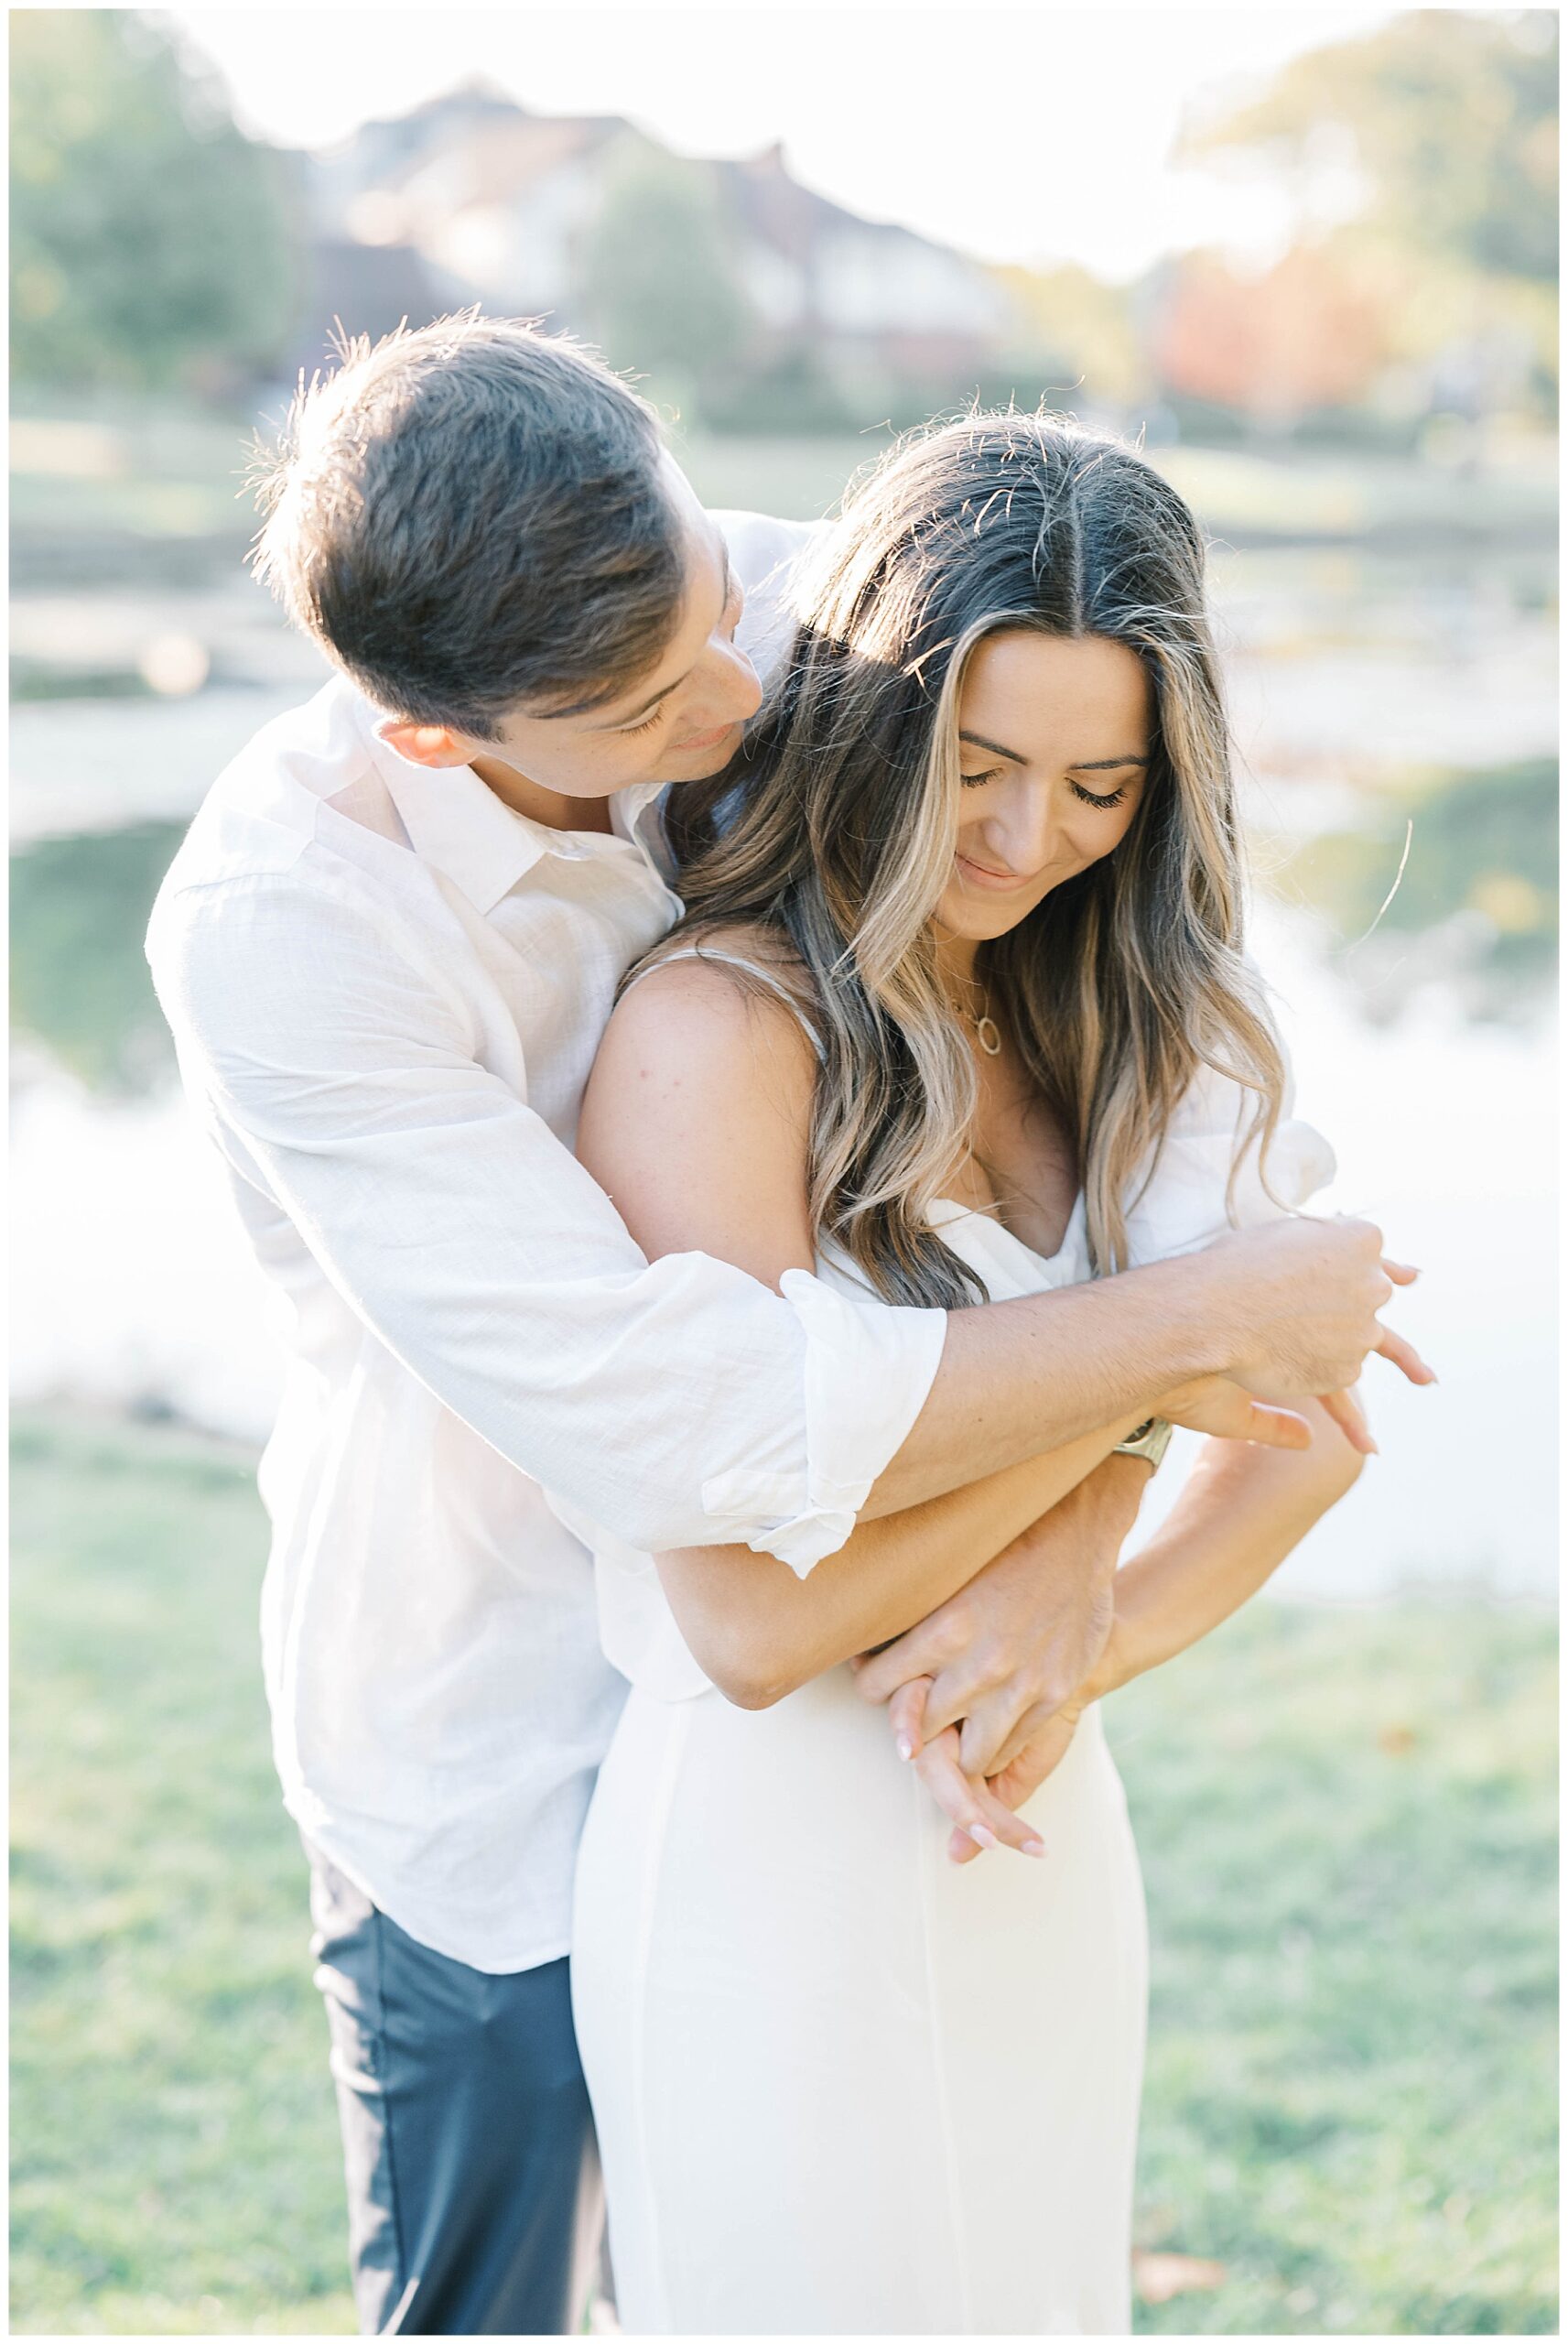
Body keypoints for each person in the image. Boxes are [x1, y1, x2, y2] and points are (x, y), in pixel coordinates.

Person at [146, 317, 1425, 2336]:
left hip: (907, 1677)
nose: (746, 697)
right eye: (653, 700)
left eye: (712, 604)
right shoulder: (297, 929)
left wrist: (1093, 1530)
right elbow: (696, 1443)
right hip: (499, 1702)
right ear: (436, 733)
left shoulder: (803, 618)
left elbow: (1203, 1176)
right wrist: (1167, 1353)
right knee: (502, 2302)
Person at [568, 411, 1399, 2334]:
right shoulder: (715, 1034)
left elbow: (1308, 1422)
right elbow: (750, 1618)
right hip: (765, 1850)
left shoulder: (1130, 1010)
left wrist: (1072, 1636)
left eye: (1101, 784)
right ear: (869, 716)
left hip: (1028, 1815)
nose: (1031, 843)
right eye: (978, 767)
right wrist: (1145, 1383)